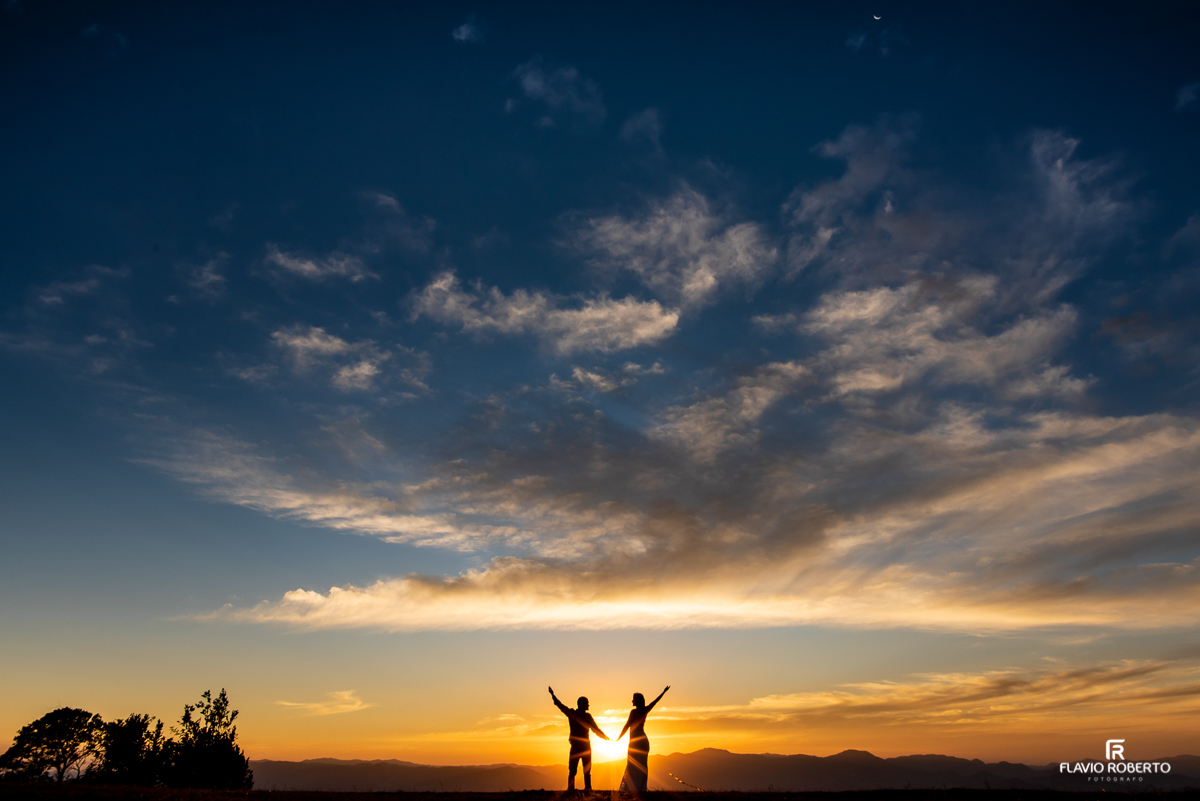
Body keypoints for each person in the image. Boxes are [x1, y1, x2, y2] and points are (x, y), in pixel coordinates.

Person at [549, 686, 610, 790]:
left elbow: (561, 706)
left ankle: (572, 790)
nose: (588, 706)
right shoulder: (587, 717)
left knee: (573, 771)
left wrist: (553, 696)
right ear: (582, 705)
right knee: (585, 771)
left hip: (576, 746)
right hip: (584, 746)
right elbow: (596, 730)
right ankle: (587, 789)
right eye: (587, 704)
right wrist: (605, 738)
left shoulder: (573, 714)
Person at [617, 686, 669, 796]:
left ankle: (632, 788)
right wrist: (663, 692)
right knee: (642, 766)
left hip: (635, 741)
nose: (632, 701)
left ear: (636, 701)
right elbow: (655, 702)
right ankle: (639, 788)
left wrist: (619, 737)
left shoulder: (633, 712)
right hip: (643, 741)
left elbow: (627, 726)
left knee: (632, 764)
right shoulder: (645, 710)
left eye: (633, 699)